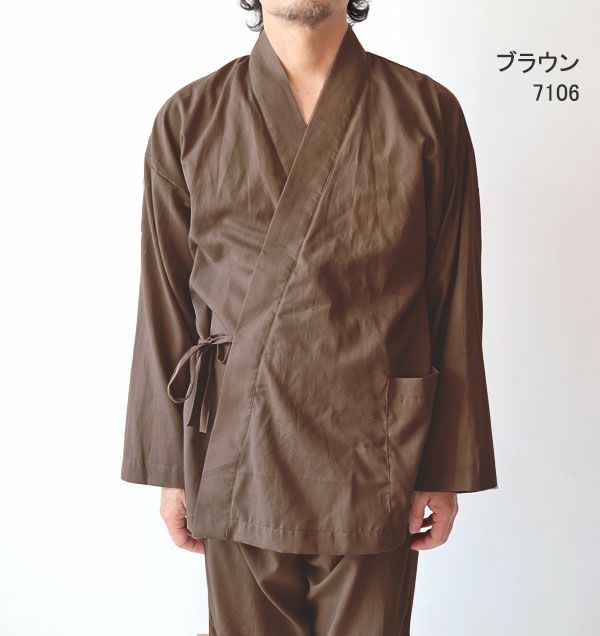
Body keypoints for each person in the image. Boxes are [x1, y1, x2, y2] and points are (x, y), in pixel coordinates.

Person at [120, 1, 498, 633]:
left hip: (378, 453)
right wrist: (170, 467)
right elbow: (163, 299)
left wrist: (444, 465)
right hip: (238, 449)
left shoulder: (427, 113)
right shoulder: (189, 119)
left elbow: (455, 299)